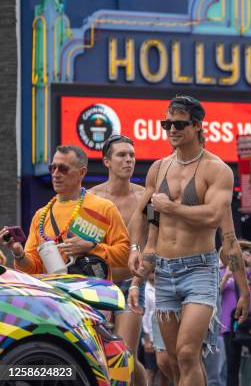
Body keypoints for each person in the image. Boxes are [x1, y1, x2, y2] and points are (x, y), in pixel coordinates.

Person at [127, 95, 251, 386]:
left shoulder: (217, 170)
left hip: (200, 270)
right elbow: (142, 217)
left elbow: (214, 220)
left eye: (179, 124)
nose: (171, 129)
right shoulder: (159, 169)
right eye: (166, 123)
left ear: (197, 126)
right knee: (171, 361)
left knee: (186, 354)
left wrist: (244, 291)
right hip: (164, 273)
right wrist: (135, 250)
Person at [0, 145, 129, 277]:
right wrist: (18, 253)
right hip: (55, 295)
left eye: (63, 169)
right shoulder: (41, 216)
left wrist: (92, 247)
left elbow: (125, 255)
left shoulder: (105, 208)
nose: (56, 174)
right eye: (52, 168)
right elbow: (33, 269)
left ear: (82, 172)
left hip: (94, 294)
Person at [89, 135, 147, 386]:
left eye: (132, 155)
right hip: (98, 286)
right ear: (106, 162)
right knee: (100, 357)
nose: (129, 160)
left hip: (131, 283)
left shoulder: (144, 197)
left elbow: (147, 246)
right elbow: (85, 248)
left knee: (125, 357)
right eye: (122, 155)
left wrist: (136, 281)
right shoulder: (91, 198)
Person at [221, 240, 251, 386]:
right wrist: (227, 276)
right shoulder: (224, 271)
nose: (242, 256)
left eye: (246, 252)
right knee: (232, 367)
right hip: (231, 324)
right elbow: (215, 293)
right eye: (239, 253)